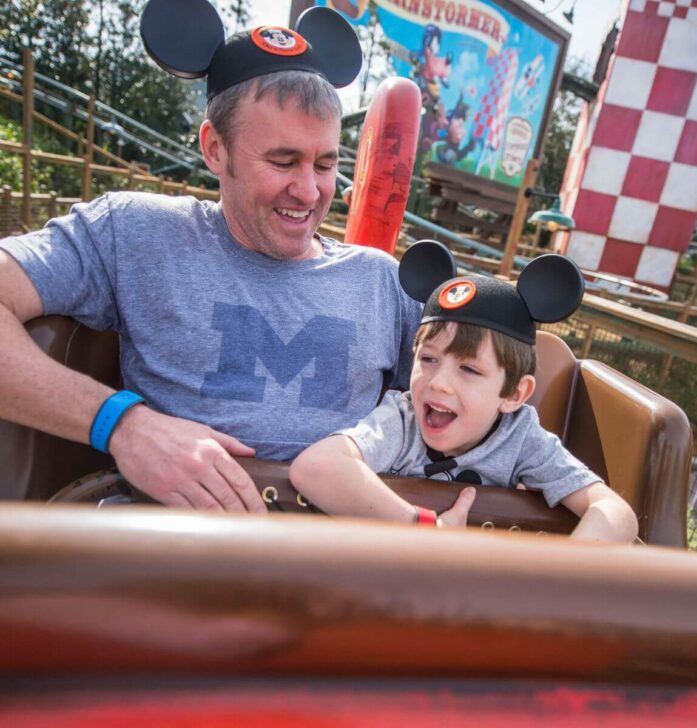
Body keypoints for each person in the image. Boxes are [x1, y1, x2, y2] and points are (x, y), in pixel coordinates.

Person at [0, 4, 421, 512]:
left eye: (326, 164)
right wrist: (122, 425)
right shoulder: (136, 233)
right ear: (215, 149)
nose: (309, 192)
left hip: (337, 564)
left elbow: (482, 403)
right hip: (177, 555)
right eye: (282, 161)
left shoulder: (382, 283)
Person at [291, 241, 639, 543]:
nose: (439, 382)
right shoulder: (403, 419)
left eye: (469, 369)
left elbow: (615, 513)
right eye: (428, 359)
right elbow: (317, 467)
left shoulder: (520, 437)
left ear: (514, 395)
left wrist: (550, 580)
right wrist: (425, 530)